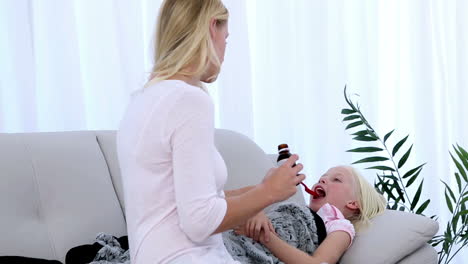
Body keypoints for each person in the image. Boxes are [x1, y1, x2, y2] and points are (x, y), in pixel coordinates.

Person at [116, 0, 306, 263]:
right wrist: (269, 192)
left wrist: (261, 189)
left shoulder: (143, 100)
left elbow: (177, 203)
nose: (225, 50)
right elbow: (199, 220)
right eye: (226, 38)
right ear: (210, 29)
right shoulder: (188, 100)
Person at [234, 165, 387, 264]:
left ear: (353, 203)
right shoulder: (298, 209)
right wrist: (256, 210)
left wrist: (266, 237)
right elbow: (247, 196)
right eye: (323, 176)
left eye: (336, 179)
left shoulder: (339, 225)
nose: (323, 179)